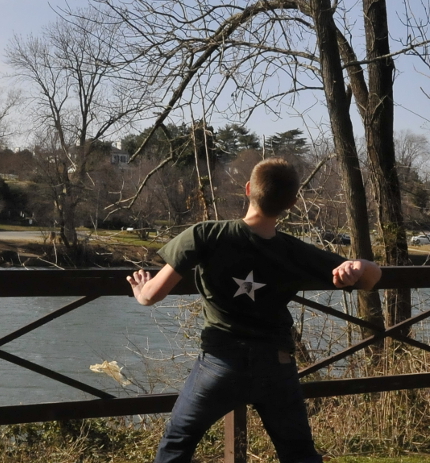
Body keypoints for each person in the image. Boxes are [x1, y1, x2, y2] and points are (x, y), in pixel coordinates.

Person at [126, 158, 381, 463]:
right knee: (298, 453)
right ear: (291, 203)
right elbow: (371, 279)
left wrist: (140, 290)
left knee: (177, 442)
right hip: (276, 365)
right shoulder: (294, 251)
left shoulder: (205, 235)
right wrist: (359, 265)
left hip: (219, 363)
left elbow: (151, 296)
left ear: (248, 189)